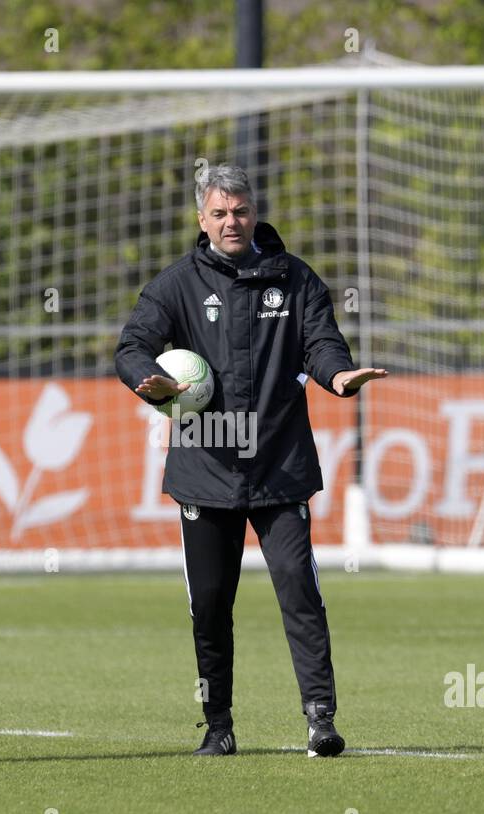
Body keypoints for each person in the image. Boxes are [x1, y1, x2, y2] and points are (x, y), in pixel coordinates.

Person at [115, 164, 386, 757]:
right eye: (219, 213)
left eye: (240, 211)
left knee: (298, 587)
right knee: (210, 603)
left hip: (279, 464)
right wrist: (148, 379)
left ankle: (320, 719)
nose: (231, 222)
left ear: (254, 212)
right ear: (201, 220)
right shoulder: (176, 285)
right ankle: (218, 725)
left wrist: (338, 376)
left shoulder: (293, 279)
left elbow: (321, 343)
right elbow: (133, 345)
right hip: (203, 468)